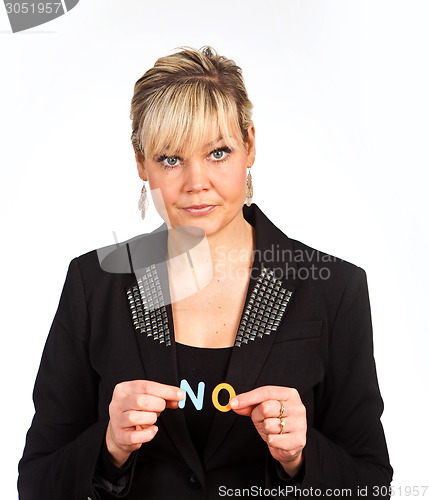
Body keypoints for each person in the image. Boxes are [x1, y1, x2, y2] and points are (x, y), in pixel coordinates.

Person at [18, 46, 393, 499]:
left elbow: (372, 485)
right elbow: (36, 483)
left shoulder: (333, 289)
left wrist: (301, 457)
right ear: (141, 162)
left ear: (249, 145)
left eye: (217, 152)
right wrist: (109, 448)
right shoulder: (94, 284)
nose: (197, 183)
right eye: (171, 159)